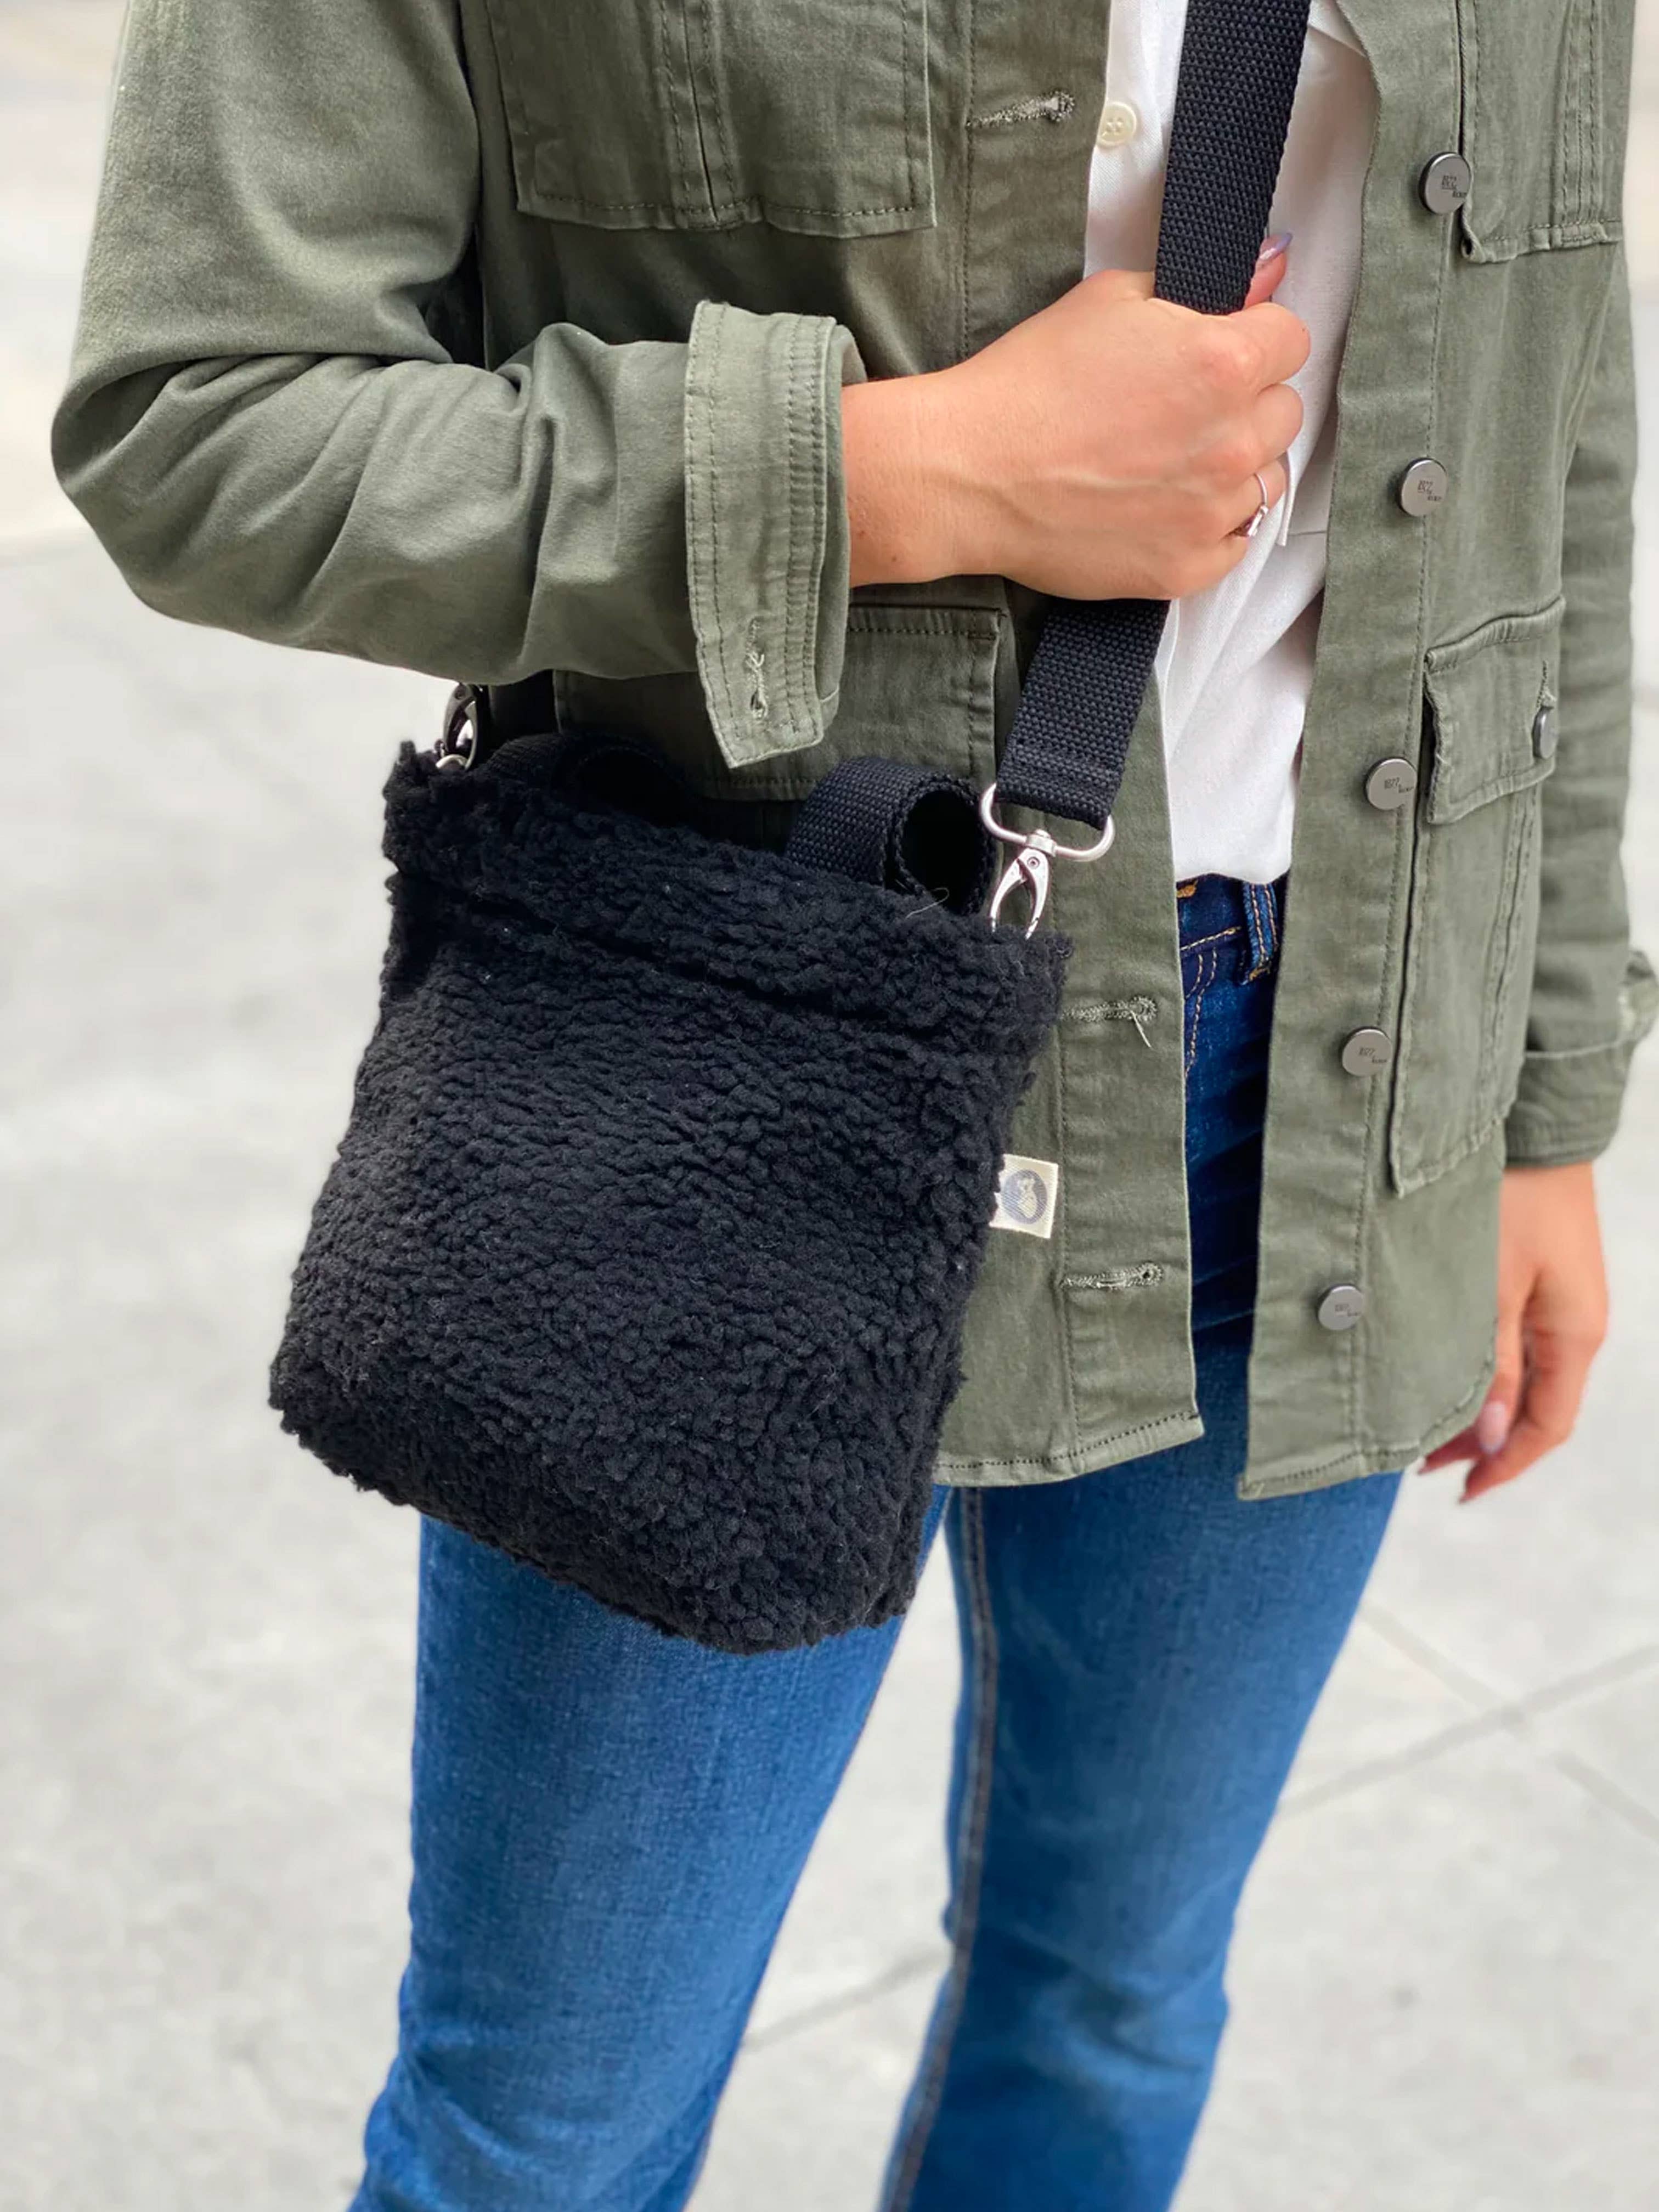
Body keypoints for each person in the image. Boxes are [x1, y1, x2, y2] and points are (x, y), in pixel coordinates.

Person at [54, 0, 1654, 2205]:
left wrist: (1546, 1092)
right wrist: (912, 471)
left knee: (1113, 2008)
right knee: (547, 2141)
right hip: (735, 1041)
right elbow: (202, 419)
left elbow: (1555, 412)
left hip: (1335, 1070)